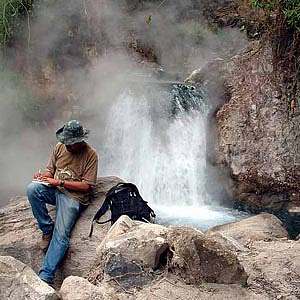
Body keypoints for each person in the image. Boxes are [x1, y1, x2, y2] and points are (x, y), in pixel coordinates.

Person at [27, 120, 98, 284]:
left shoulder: (90, 154)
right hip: (55, 189)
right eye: (65, 141)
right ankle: (46, 228)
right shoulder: (60, 146)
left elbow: (86, 186)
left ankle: (45, 275)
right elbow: (50, 170)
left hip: (73, 196)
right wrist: (43, 177)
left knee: (61, 235)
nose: (66, 145)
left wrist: (59, 183)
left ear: (79, 141)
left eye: (70, 143)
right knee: (32, 189)